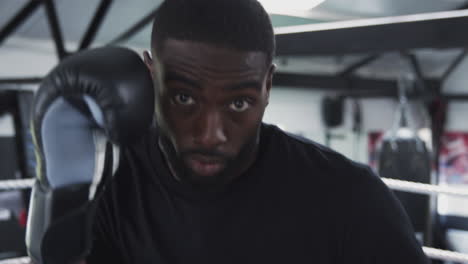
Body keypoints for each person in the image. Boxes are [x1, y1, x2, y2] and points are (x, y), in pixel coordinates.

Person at [27, 0, 430, 263]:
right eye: (184, 99)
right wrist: (61, 189)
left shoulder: (348, 196)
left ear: (267, 85)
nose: (210, 134)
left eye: (238, 103)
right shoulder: (116, 186)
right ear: (152, 76)